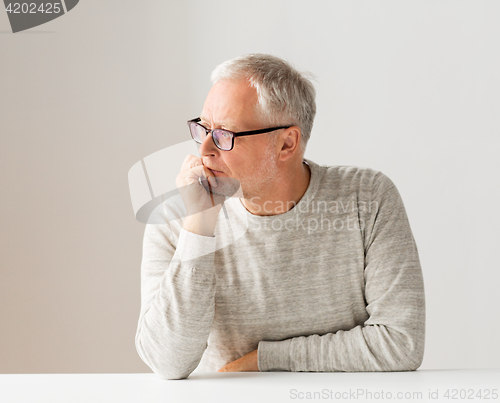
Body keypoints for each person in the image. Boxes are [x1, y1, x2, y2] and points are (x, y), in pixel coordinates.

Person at [134, 53, 426, 380]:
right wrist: (199, 227)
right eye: (203, 128)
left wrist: (263, 360)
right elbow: (166, 362)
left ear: (287, 144)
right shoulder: (177, 216)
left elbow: (401, 342)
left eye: (224, 135)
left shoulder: (367, 197)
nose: (204, 151)